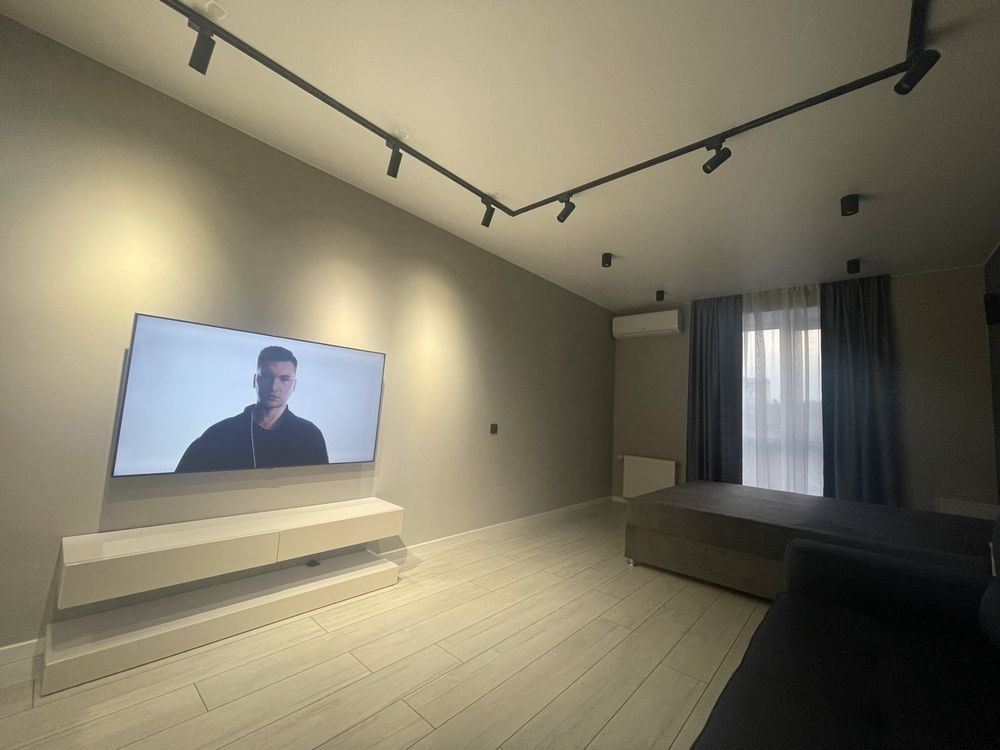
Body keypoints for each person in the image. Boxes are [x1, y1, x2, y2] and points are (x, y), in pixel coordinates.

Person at [176, 345, 328, 473]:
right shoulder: (220, 433)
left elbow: (322, 485)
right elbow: (181, 481)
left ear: (294, 385)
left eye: (284, 379)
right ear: (255, 381)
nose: (274, 386)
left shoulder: (309, 435)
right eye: (266, 377)